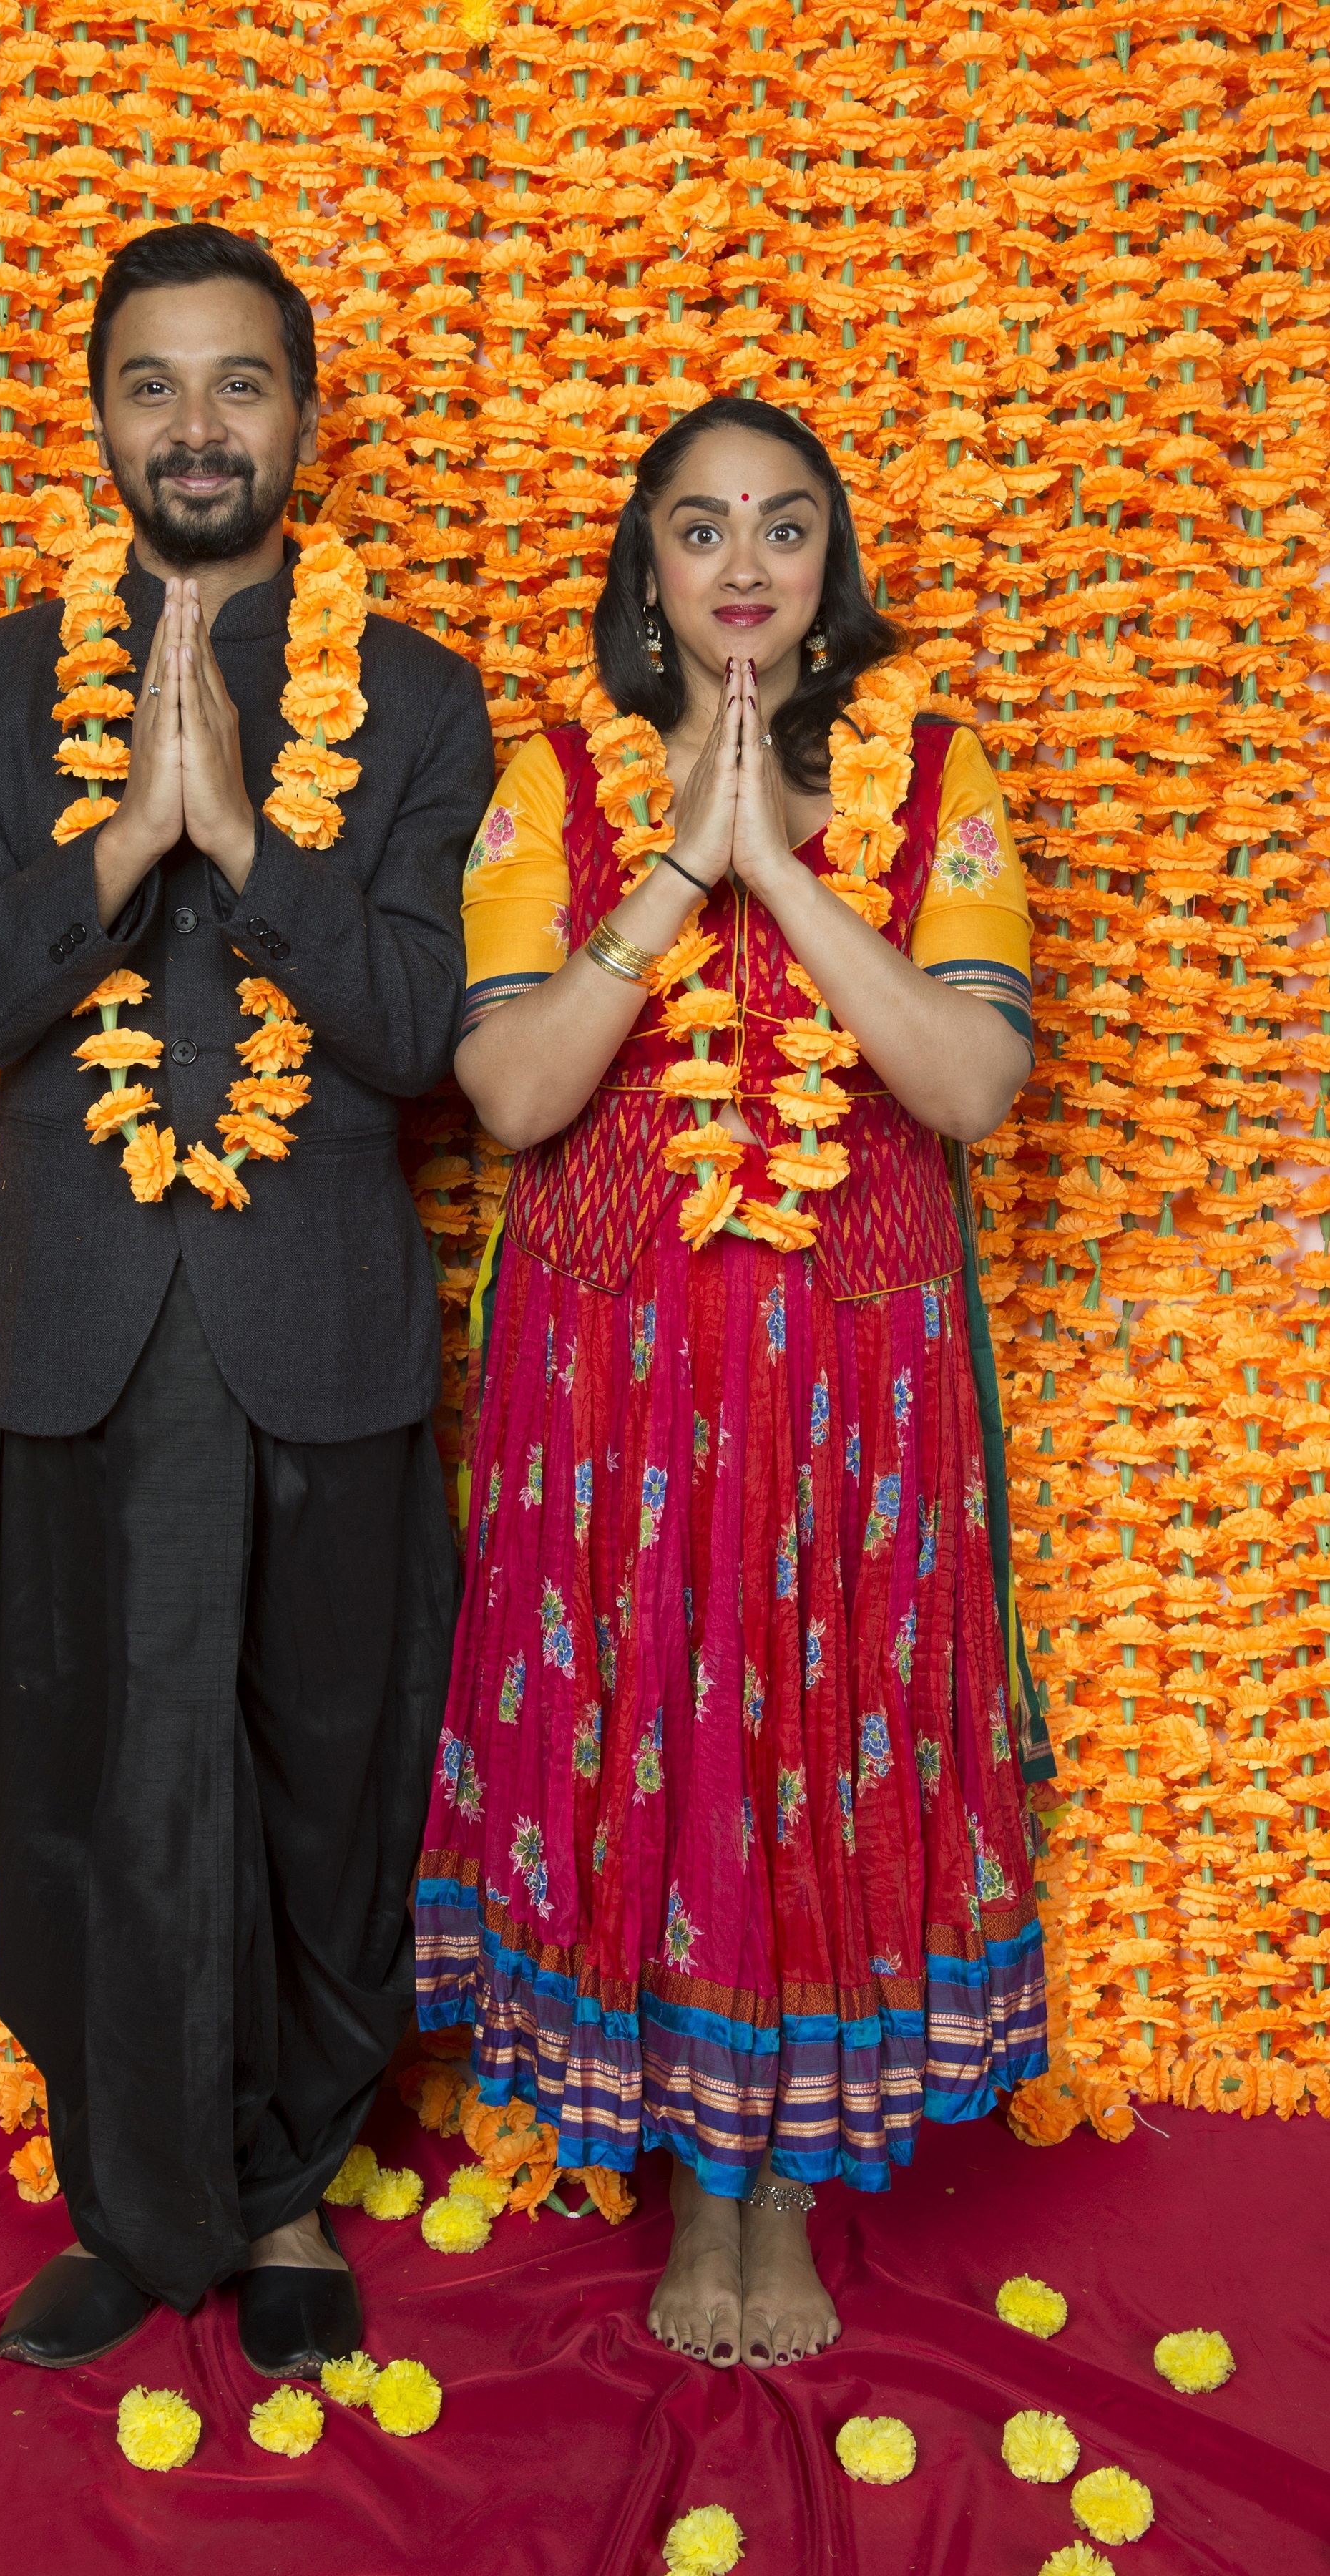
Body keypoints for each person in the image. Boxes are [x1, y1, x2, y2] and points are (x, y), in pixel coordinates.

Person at [0, 223, 492, 2373]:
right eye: (155, 385)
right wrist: (125, 842)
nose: (199, 426)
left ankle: (285, 2192)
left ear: (302, 419)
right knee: (76, 1776)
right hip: (81, 1335)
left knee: (325, 1772)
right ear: (102, 418)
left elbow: (422, 1037)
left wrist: (245, 844)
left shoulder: (417, 698)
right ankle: (131, 2211)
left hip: (314, 1334)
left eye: (241, 384)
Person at [414, 396, 1049, 2375]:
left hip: (855, 1375)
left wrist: (786, 868)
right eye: (700, 527)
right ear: (649, 572)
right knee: (657, 1740)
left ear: (830, 564)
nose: (746, 561)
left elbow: (969, 1083)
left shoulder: (933, 778)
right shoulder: (553, 784)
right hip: (612, 1375)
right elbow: (511, 1096)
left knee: (817, 1740)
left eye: (784, 524)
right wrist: (687, 859)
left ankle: (788, 2185)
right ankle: (703, 2181)